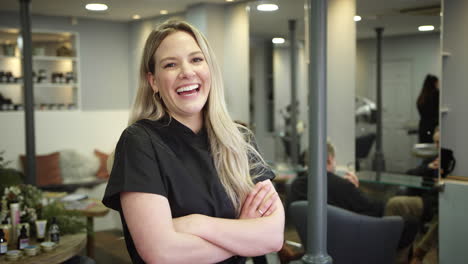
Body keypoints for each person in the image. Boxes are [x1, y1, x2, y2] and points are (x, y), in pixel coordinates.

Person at [102, 20, 284, 264]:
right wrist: (243, 234)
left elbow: (272, 236)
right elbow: (162, 253)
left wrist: (195, 224)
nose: (186, 72)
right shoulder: (139, 142)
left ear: (210, 69)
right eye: (170, 64)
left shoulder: (239, 139)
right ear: (153, 81)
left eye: (196, 59)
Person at [416, 74, 439, 143]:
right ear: (434, 84)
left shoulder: (422, 96)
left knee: (425, 149)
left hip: (423, 127)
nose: (438, 85)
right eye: (437, 83)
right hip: (432, 128)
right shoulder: (436, 95)